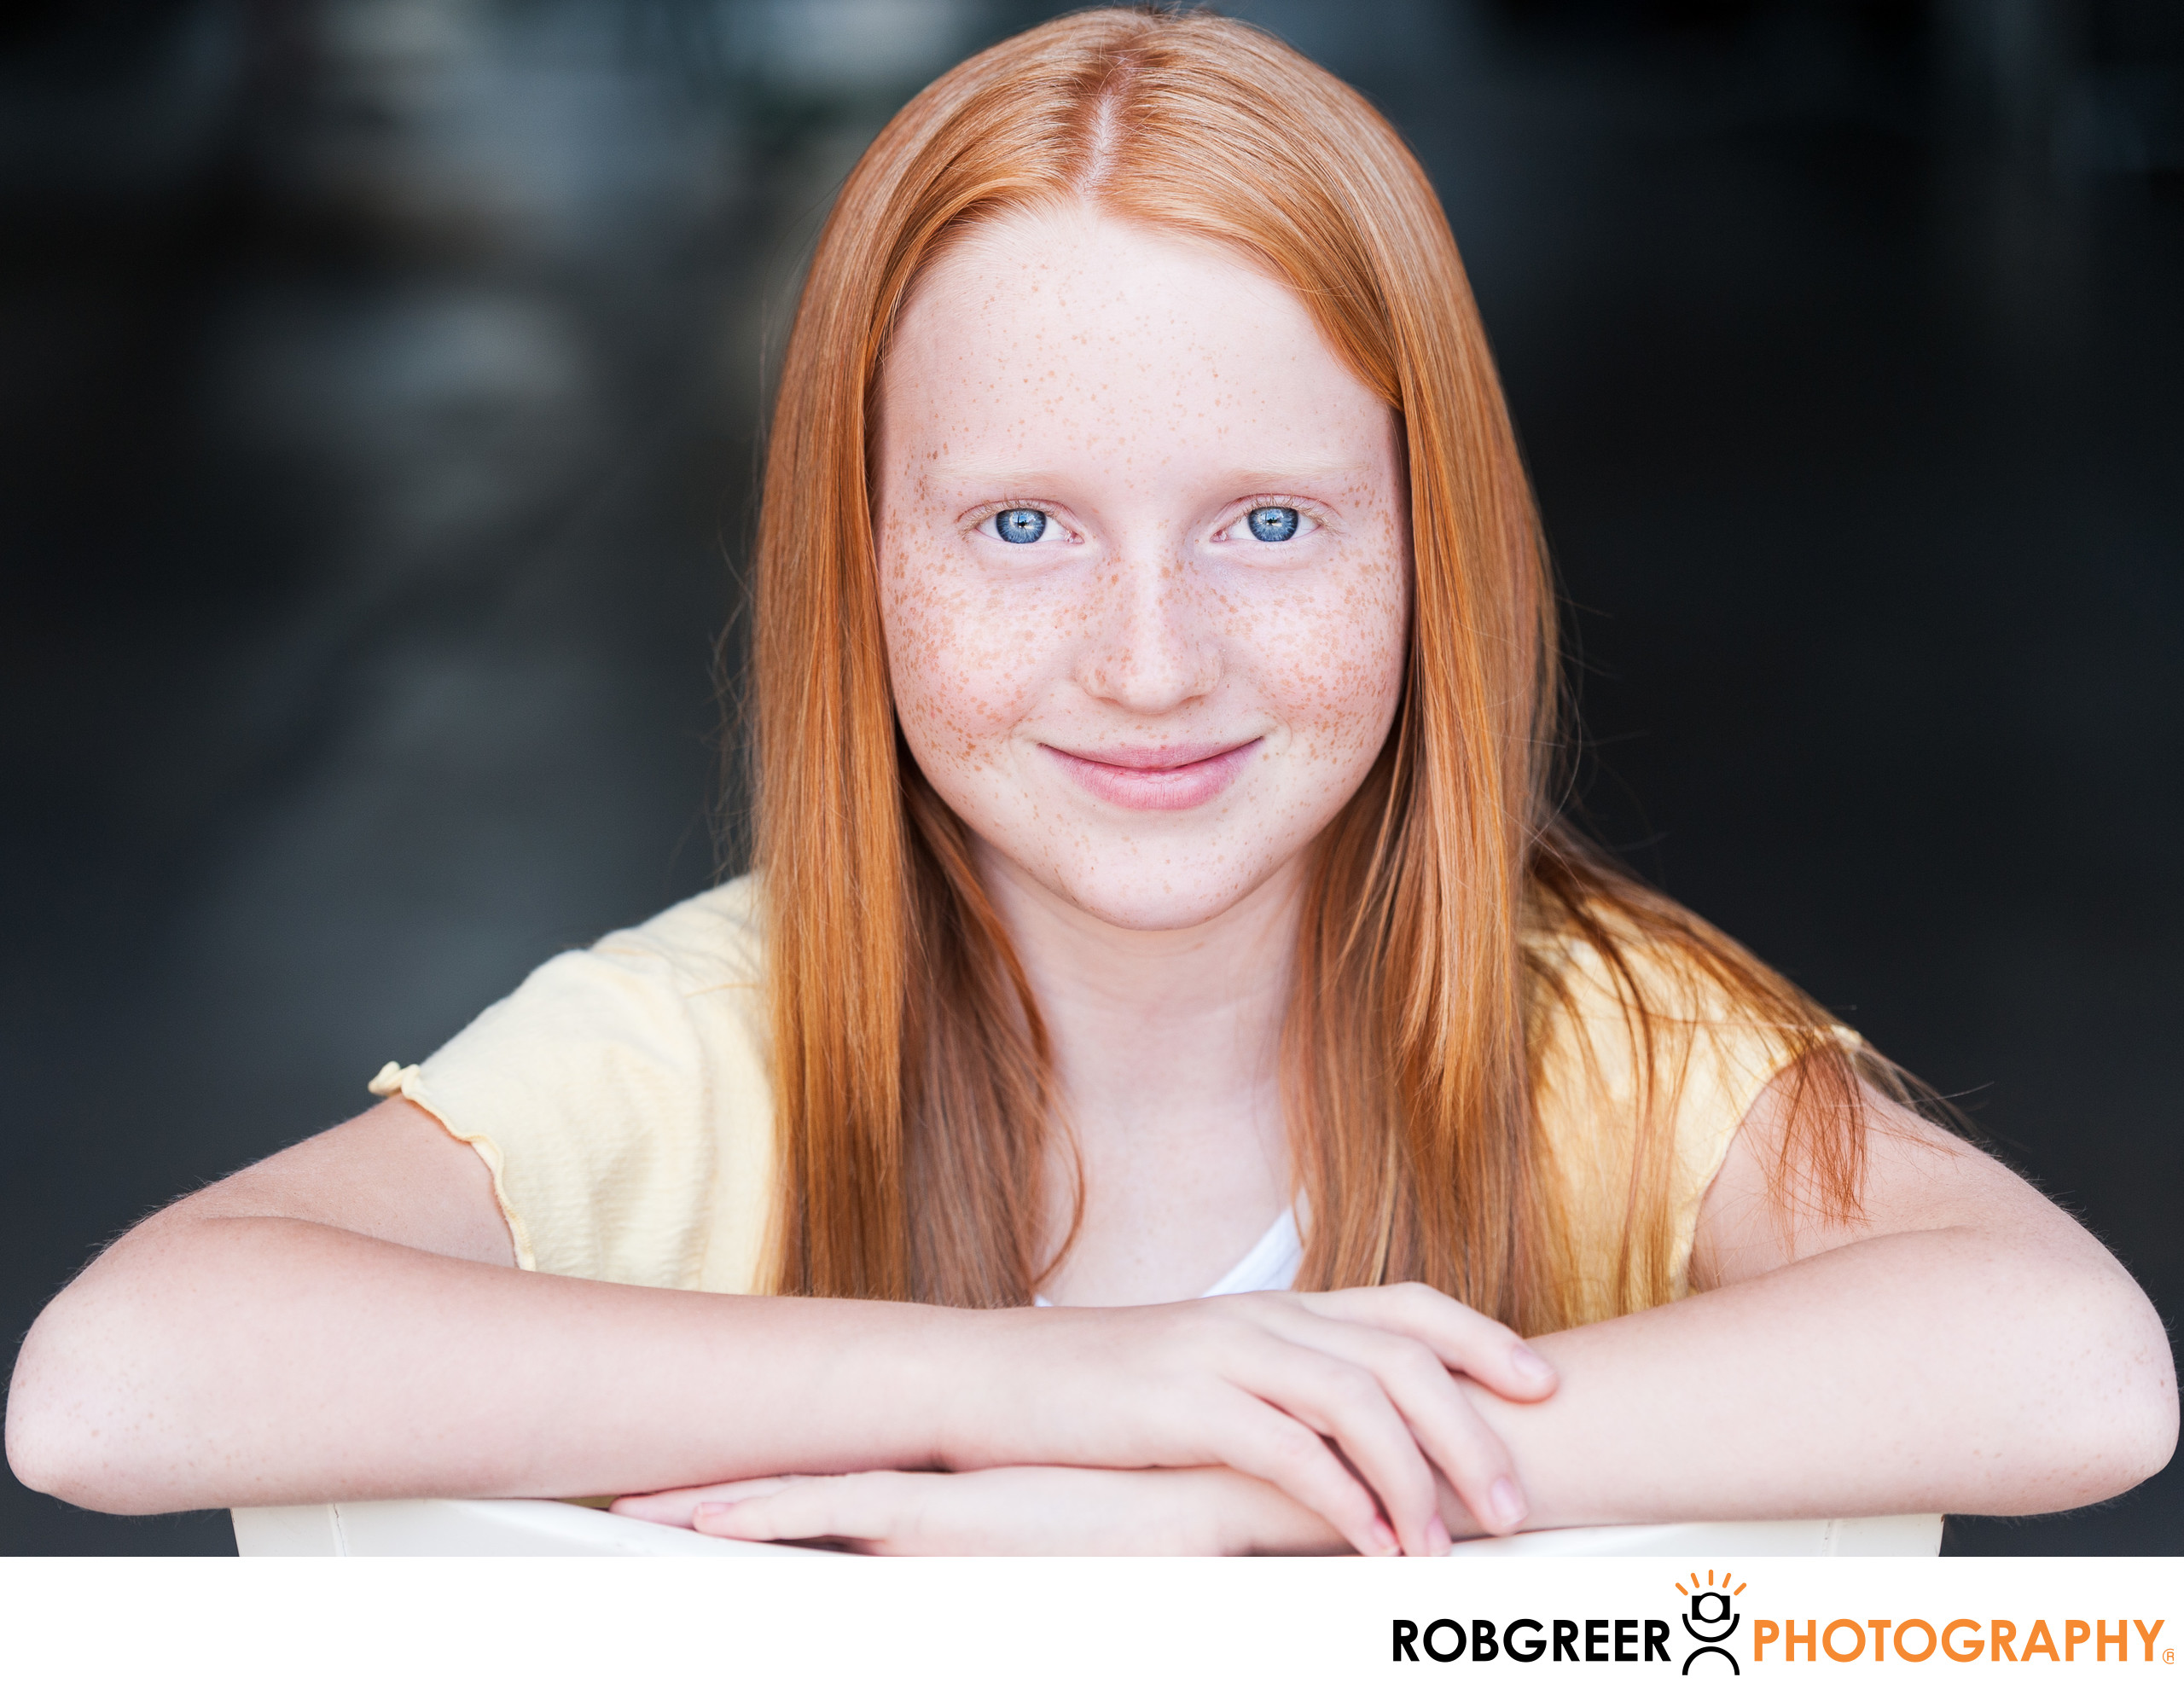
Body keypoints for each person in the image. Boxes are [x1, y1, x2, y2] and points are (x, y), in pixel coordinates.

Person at [7, 9, 2173, 1558]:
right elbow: (113, 1387)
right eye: (1020, 528)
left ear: (1441, 551)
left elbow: (2073, 1370)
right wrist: (1039, 1392)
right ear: (858, 568)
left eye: (1269, 522)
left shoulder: (1591, 1044)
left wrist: (1244, 1491)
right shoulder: (713, 1046)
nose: (1148, 662)